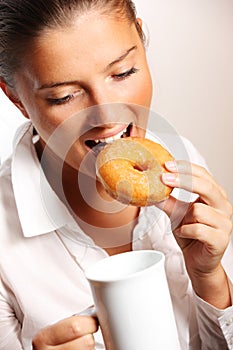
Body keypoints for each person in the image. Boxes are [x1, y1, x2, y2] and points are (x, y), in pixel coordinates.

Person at [0, 0, 232, 349]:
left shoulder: (181, 166)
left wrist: (210, 279)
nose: (107, 115)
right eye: (64, 96)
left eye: (123, 73)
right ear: (16, 98)